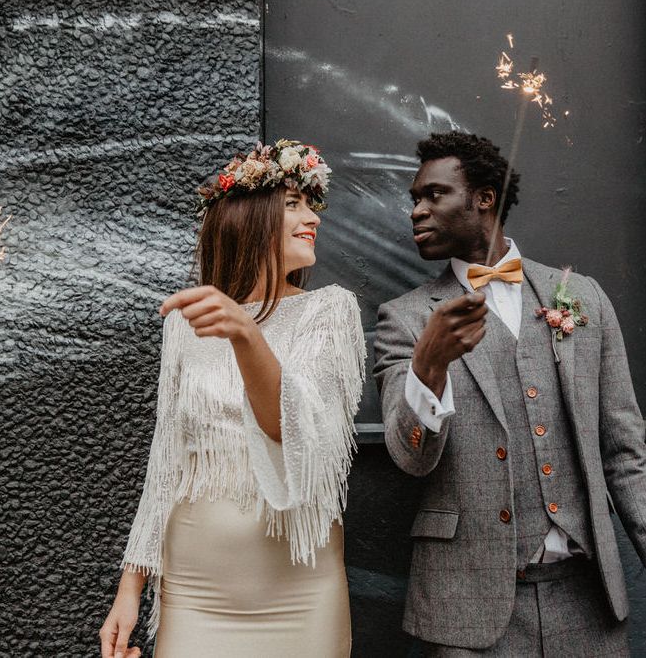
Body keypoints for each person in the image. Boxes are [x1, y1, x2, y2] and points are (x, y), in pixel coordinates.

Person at [374, 130, 645, 655]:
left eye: (434, 195)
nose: (416, 211)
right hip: (470, 614)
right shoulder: (404, 319)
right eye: (415, 199)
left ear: (483, 198)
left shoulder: (581, 296)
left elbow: (627, 453)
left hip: (589, 603)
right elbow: (409, 456)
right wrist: (428, 362)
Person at [99, 139, 365, 658]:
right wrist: (130, 589)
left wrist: (247, 336)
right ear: (248, 217)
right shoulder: (185, 324)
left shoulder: (332, 312)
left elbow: (293, 431)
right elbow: (166, 463)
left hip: (299, 592)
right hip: (194, 591)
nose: (311, 217)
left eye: (310, 204)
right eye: (293, 204)